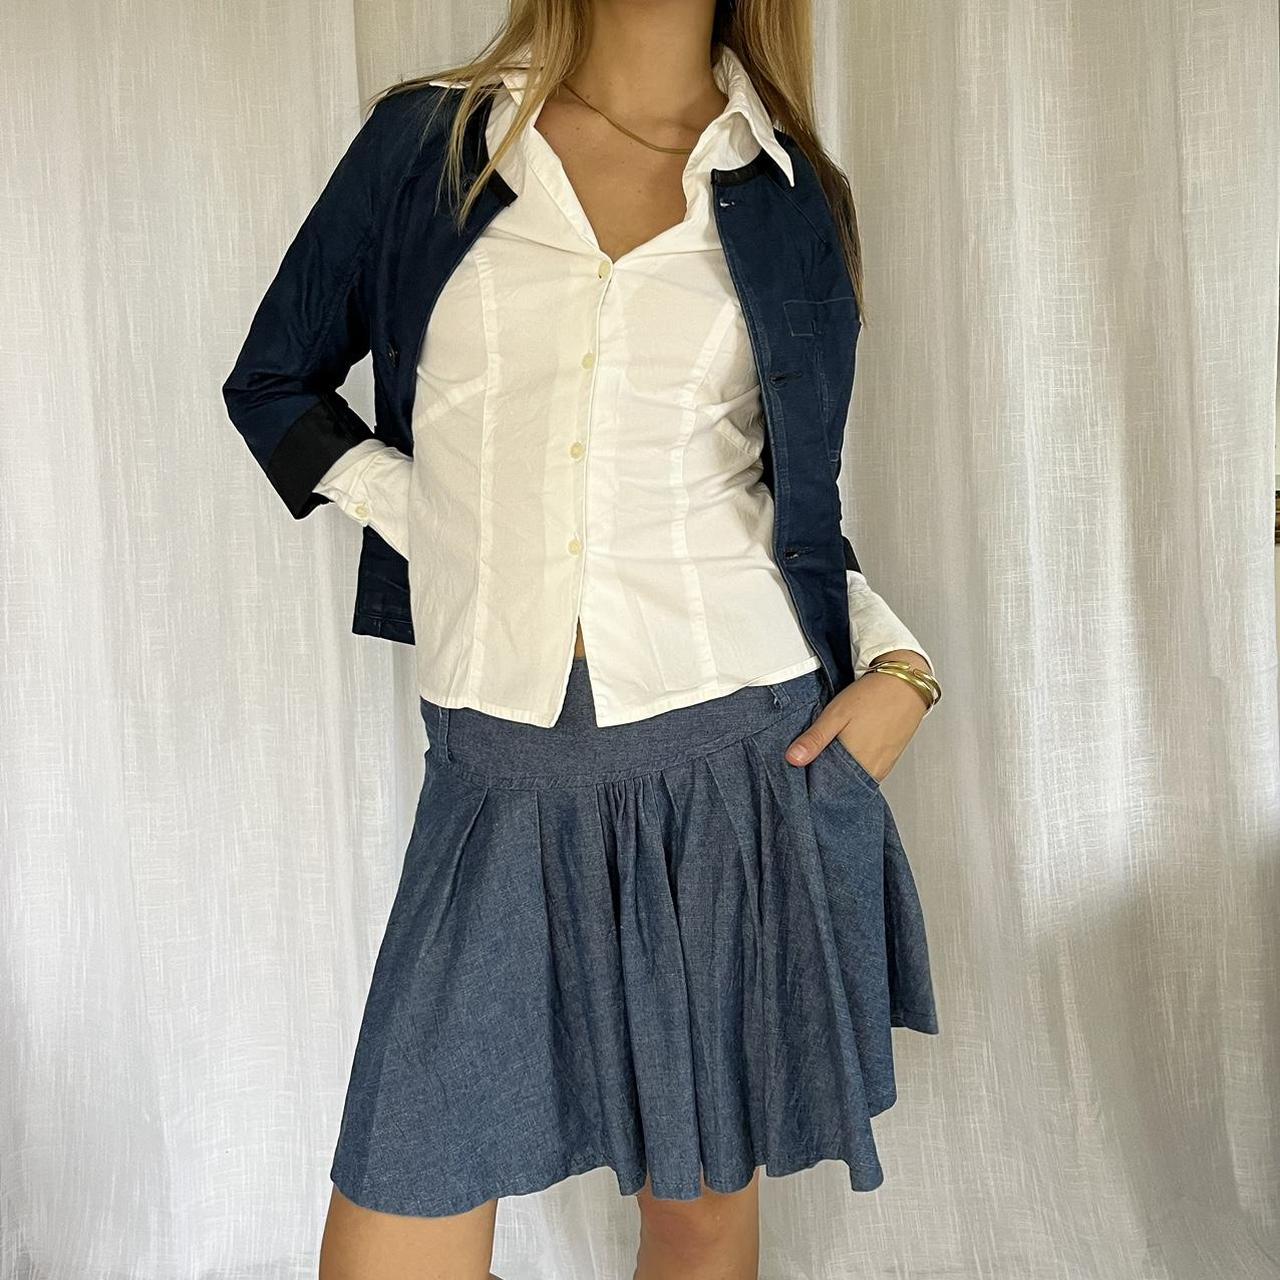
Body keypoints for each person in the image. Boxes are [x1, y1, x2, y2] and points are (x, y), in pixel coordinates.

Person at [223, 2, 943, 1276]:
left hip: (729, 761)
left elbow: (790, 504)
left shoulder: (788, 193)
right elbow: (273, 380)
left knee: (696, 1215)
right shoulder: (430, 147)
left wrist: (900, 668)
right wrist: (432, 514)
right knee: (394, 1225)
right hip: (494, 775)